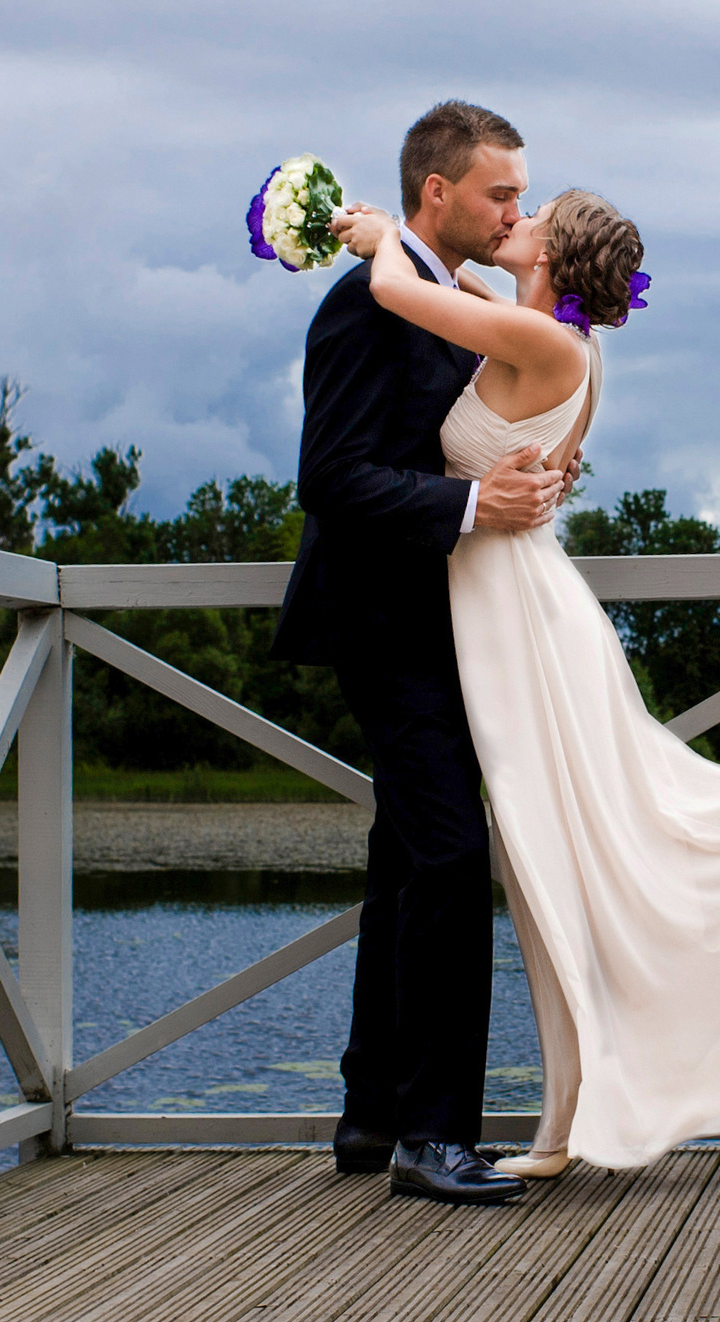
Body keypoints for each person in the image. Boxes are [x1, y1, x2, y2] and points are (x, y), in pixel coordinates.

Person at [328, 185, 720, 1177]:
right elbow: (454, 291)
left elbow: (397, 290)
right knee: (547, 857)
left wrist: (386, 234)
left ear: (555, 251)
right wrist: (428, 254)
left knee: (564, 854)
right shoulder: (552, 339)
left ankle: (572, 1117)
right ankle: (554, 1119)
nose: (516, 215)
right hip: (510, 603)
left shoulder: (545, 344)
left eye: (534, 212)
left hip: (517, 618)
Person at [273, 100, 568, 1206]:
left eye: (520, 192)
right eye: (499, 192)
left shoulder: (450, 300)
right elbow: (332, 477)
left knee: (406, 861)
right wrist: (470, 501)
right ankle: (434, 1136)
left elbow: (467, 434)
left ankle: (371, 1113)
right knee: (448, 857)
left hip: (445, 619)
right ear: (435, 192)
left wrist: (517, 483)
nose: (513, 210)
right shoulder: (360, 306)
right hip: (381, 618)